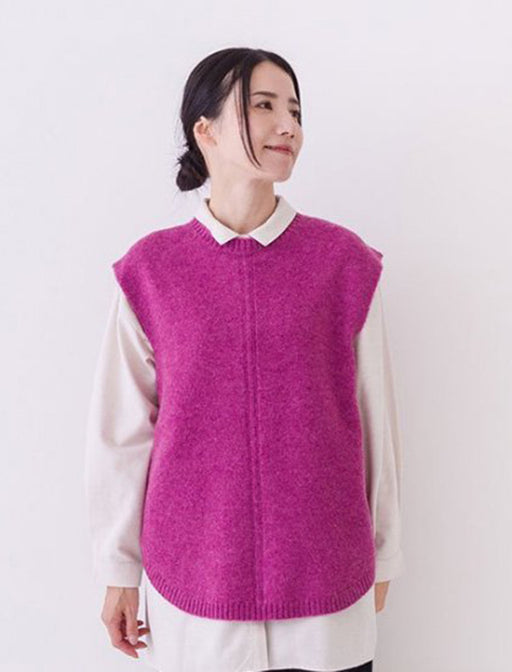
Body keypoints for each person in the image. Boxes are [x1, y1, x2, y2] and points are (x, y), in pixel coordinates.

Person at [84, 47, 405, 672]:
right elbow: (121, 434)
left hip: (327, 591)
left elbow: (377, 421)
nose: (288, 126)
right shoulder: (151, 271)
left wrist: (385, 553)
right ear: (204, 130)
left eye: (295, 111)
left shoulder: (345, 264)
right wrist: (118, 569)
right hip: (195, 592)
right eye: (263, 106)